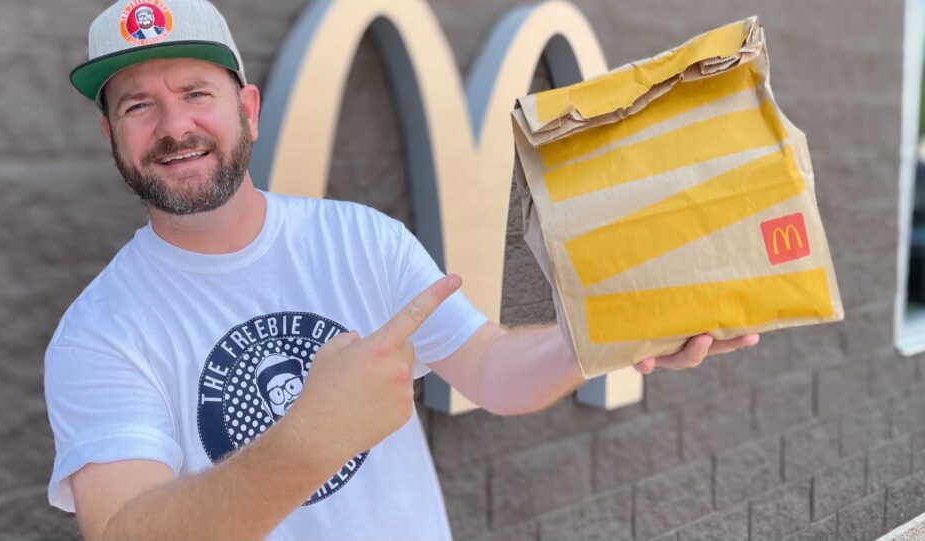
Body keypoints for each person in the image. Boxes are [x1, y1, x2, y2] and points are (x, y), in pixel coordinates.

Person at [47, 1, 760, 540]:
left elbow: (491, 371)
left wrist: (612, 329)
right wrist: (311, 436)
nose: (174, 127)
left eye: (196, 93)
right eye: (139, 105)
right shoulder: (99, 334)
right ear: (112, 135)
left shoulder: (358, 238)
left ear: (248, 109)